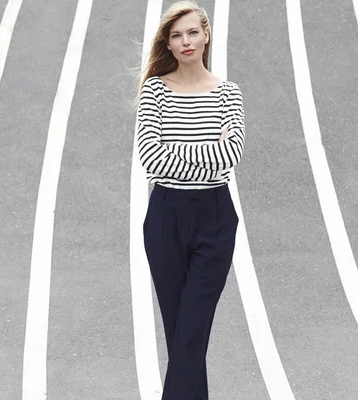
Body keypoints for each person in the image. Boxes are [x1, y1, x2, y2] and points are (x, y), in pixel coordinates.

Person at [135, 1, 246, 399]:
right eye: (177, 35)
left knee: (191, 334)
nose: (185, 41)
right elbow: (151, 157)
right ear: (168, 41)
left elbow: (230, 154)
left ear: (206, 35)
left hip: (215, 218)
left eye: (192, 32)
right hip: (166, 217)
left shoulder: (228, 94)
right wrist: (205, 152)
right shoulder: (155, 91)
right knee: (181, 336)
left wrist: (177, 152)